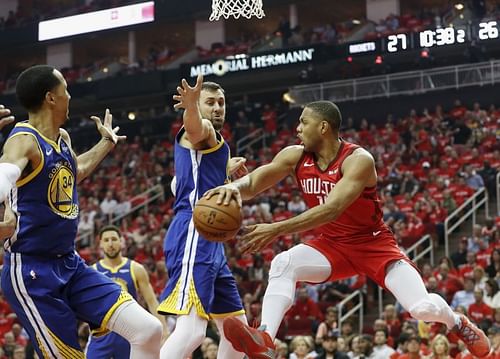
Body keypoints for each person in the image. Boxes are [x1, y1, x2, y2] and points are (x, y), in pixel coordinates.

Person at [206, 100, 491, 358]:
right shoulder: (295, 156)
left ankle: (457, 322)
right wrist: (231, 187)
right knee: (283, 263)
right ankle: (265, 339)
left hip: (373, 245)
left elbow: (332, 208)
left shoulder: (359, 159)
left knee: (421, 309)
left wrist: (276, 229)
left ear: (323, 127)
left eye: (303, 123)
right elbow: (254, 182)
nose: (297, 129)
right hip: (332, 245)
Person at [0, 65, 162, 359]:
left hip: (70, 265)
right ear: (51, 97)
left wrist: (107, 142)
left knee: (148, 330)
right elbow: (4, 178)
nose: (70, 95)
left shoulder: (61, 138)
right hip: (32, 272)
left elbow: (79, 170)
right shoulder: (23, 139)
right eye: (66, 89)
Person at [157, 74, 248, 359]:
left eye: (221, 102)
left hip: (211, 241)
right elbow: (195, 129)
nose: (218, 107)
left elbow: (179, 184)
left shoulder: (217, 148)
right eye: (210, 102)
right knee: (193, 331)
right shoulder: (202, 130)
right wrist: (192, 108)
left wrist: (223, 171)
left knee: (237, 333)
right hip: (194, 233)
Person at [86, 224, 168, 358]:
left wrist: (165, 331)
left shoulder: (136, 269)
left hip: (129, 333)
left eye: (114, 239)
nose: (110, 244)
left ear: (121, 241)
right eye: (106, 240)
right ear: (100, 244)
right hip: (102, 333)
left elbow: (152, 302)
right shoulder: (93, 271)